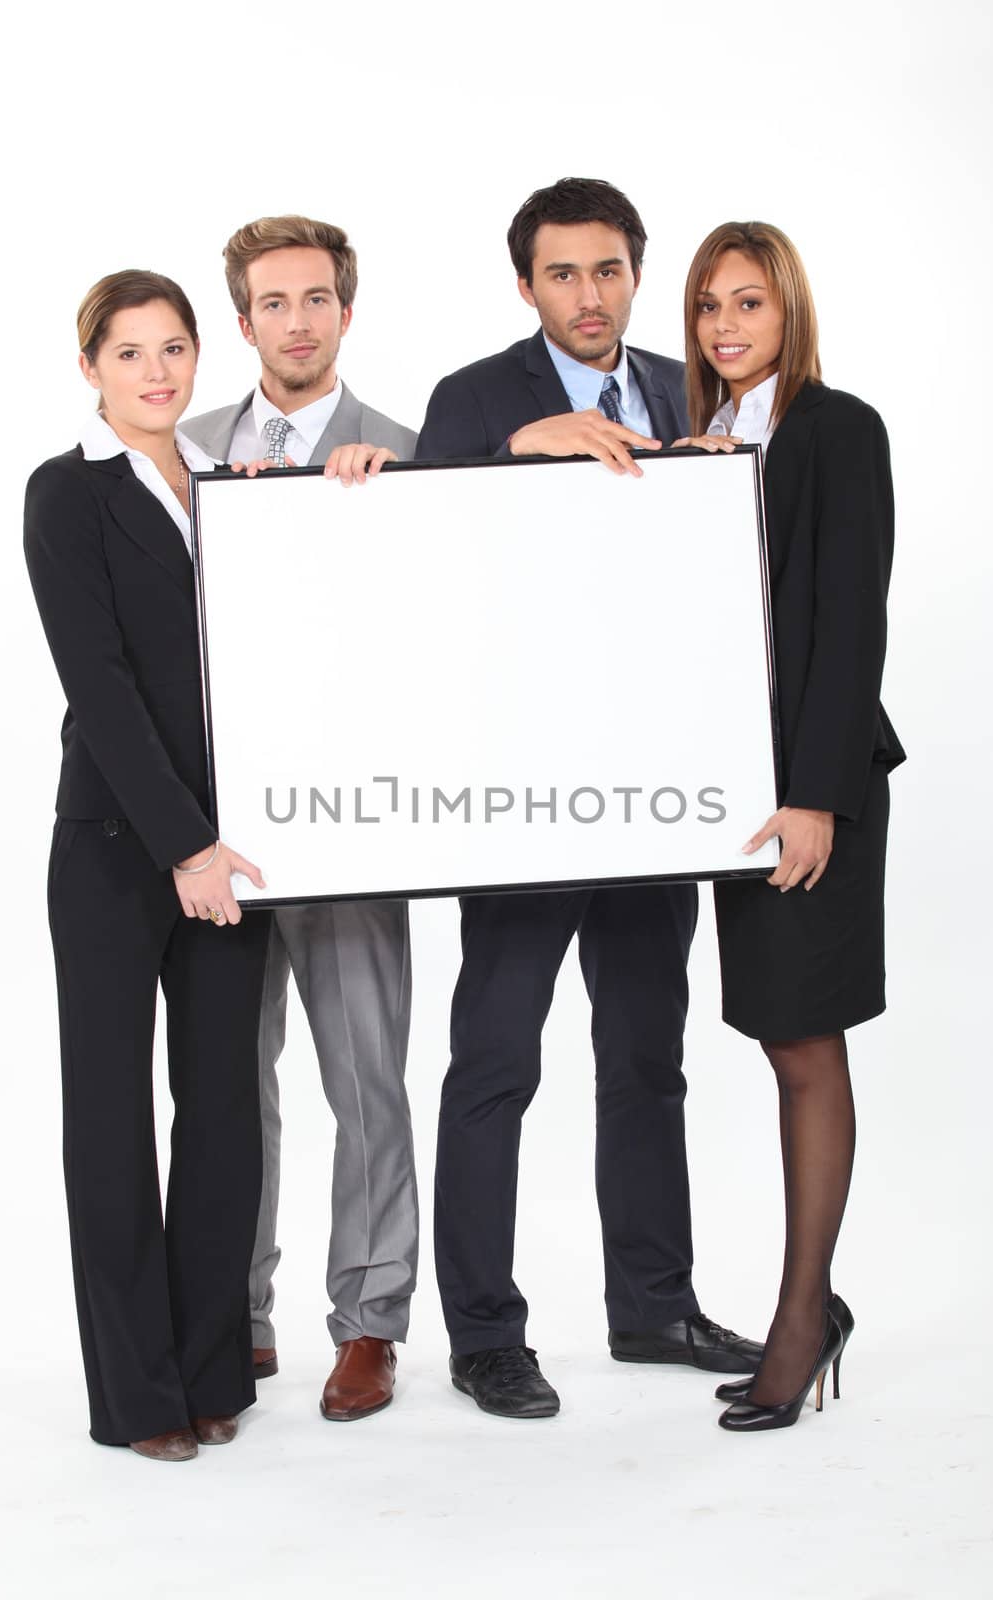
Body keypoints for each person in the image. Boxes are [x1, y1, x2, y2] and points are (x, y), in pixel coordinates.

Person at [416, 177, 763, 1420]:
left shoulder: (686, 388)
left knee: (644, 1058)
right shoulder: (473, 400)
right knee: (495, 1062)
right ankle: (483, 1334)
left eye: (608, 269)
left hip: (653, 788)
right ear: (525, 287)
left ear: (634, 270)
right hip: (521, 791)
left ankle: (651, 1304)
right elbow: (416, 559)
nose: (589, 294)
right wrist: (518, 449)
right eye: (561, 274)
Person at [24, 271, 271, 1461]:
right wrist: (183, 845)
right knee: (112, 1122)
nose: (158, 371)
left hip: (239, 849)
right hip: (123, 852)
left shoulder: (230, 488)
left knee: (225, 1114)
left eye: (174, 347)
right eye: (130, 353)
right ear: (91, 368)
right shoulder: (64, 495)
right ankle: (137, 1396)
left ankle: (213, 1367)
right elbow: (101, 685)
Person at [183, 215, 418, 1423]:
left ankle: (370, 1320)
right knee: (232, 1079)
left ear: (345, 311)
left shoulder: (412, 452)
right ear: (242, 322)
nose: (296, 321)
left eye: (317, 298)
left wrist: (375, 519)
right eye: (273, 303)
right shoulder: (177, 451)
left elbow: (440, 644)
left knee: (365, 1074)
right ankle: (241, 1306)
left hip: (355, 819)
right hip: (219, 828)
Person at [672, 221, 906, 1432]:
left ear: (788, 311)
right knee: (773, 1036)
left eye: (747, 304)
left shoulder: (832, 427)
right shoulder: (707, 440)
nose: (723, 325)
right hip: (735, 794)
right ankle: (808, 1305)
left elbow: (846, 621)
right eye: (709, 304)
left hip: (808, 796)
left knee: (805, 1047)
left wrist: (813, 793)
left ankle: (802, 1315)